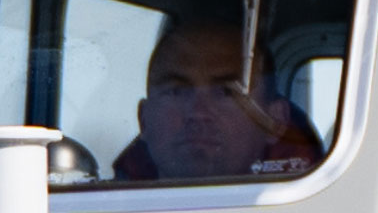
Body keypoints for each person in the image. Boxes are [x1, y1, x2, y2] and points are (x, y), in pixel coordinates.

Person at [113, 18, 322, 183]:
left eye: (226, 92)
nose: (198, 112)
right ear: (143, 119)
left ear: (275, 120)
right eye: (176, 91)